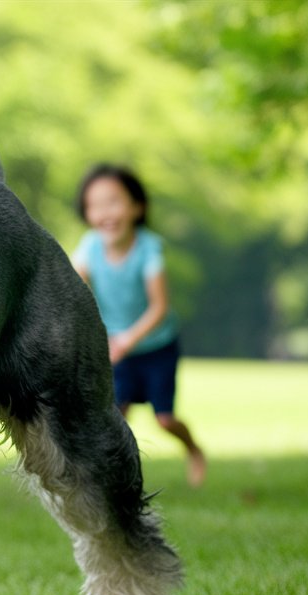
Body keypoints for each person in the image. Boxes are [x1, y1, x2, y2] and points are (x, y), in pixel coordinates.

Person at [72, 164, 206, 486]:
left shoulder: (149, 248)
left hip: (155, 346)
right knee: (116, 417)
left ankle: (193, 449)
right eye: (96, 205)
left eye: (114, 201)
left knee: (165, 419)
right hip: (116, 349)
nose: (106, 212)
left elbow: (160, 307)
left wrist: (126, 340)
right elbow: (72, 288)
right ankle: (117, 482)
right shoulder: (89, 247)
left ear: (137, 207)